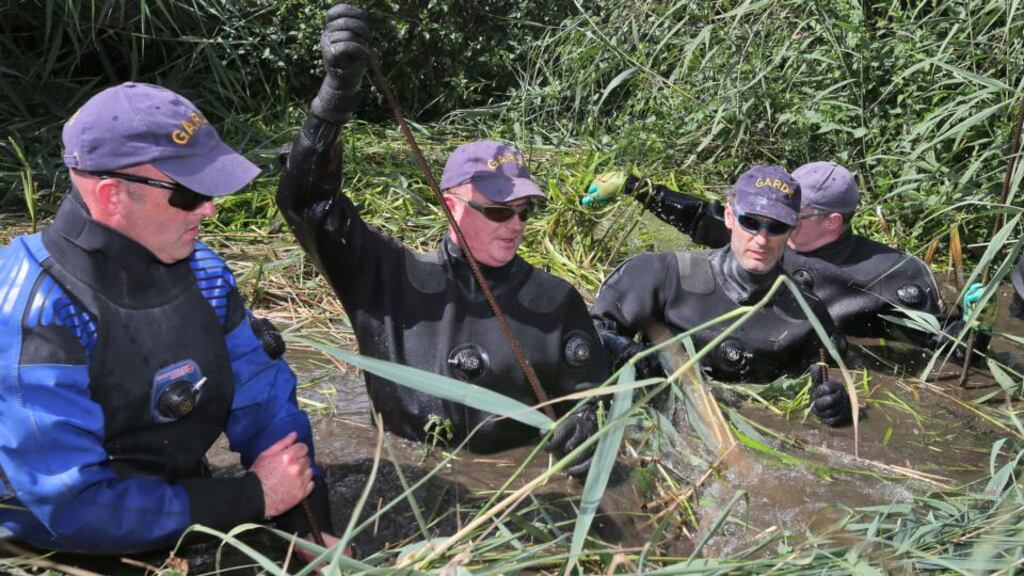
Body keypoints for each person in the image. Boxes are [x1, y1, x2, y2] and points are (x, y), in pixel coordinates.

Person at [276, 5, 609, 473]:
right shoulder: (386, 281)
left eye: (523, 211)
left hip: (510, 506)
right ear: (451, 205)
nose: (513, 223)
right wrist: (335, 97)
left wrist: (589, 423)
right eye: (496, 209)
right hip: (406, 492)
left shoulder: (556, 302)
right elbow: (307, 201)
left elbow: (595, 400)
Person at [0, 83, 331, 554]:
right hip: (53, 542)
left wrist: (307, 525)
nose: (210, 208)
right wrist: (252, 496)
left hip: (180, 506)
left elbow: (267, 404)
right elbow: (70, 506)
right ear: (112, 195)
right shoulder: (34, 310)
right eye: (190, 193)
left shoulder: (208, 275)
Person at [591, 165, 854, 427]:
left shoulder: (806, 315)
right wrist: (631, 355)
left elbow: (828, 380)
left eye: (777, 227)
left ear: (792, 229)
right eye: (750, 222)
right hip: (652, 425)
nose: (762, 240)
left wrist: (837, 408)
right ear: (729, 216)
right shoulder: (662, 274)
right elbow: (591, 332)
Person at [583, 163, 944, 341]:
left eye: (789, 218)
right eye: (759, 220)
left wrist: (977, 325)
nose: (766, 229)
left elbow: (945, 346)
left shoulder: (889, 274)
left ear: (833, 222)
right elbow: (701, 216)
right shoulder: (760, 239)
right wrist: (635, 187)